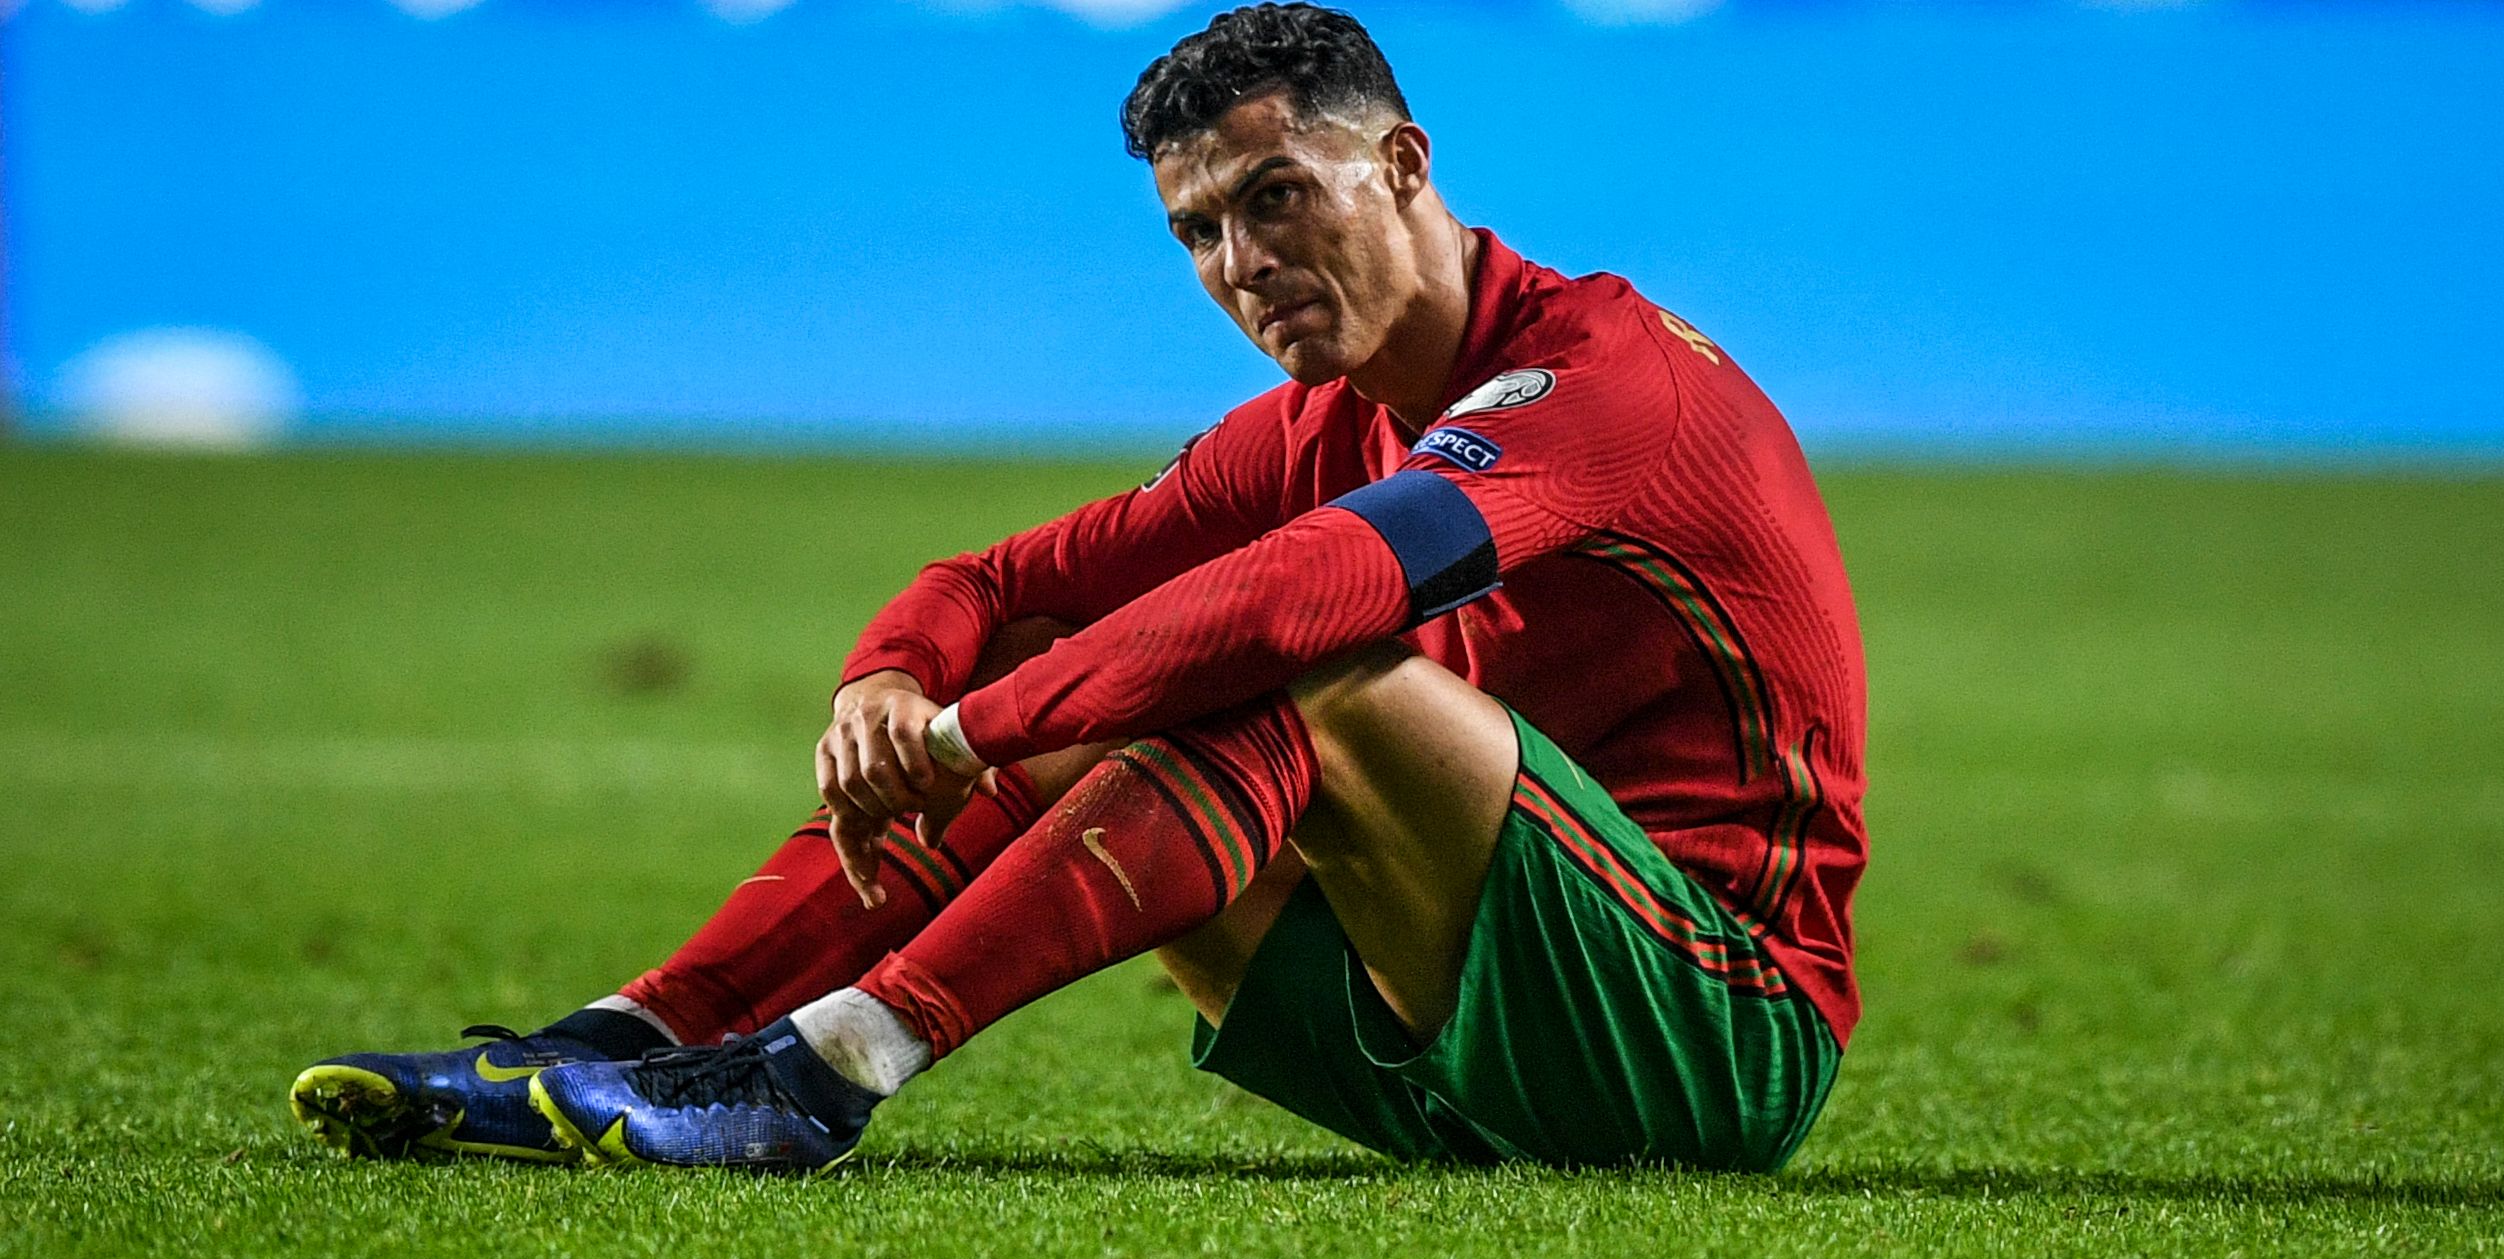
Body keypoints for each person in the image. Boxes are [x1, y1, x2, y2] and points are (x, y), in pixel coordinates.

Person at [289, 2, 1867, 1176]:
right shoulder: (1321, 422)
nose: (1239, 262)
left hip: (1711, 1031)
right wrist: (887, 683)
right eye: (1196, 230)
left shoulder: (1600, 382)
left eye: (1275, 196)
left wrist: (970, 735)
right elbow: (986, 580)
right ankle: (630, 1040)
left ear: (1400, 166)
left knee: (1311, 663)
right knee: (1101, 645)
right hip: (1450, 1057)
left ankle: (829, 1066)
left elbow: (1287, 608)